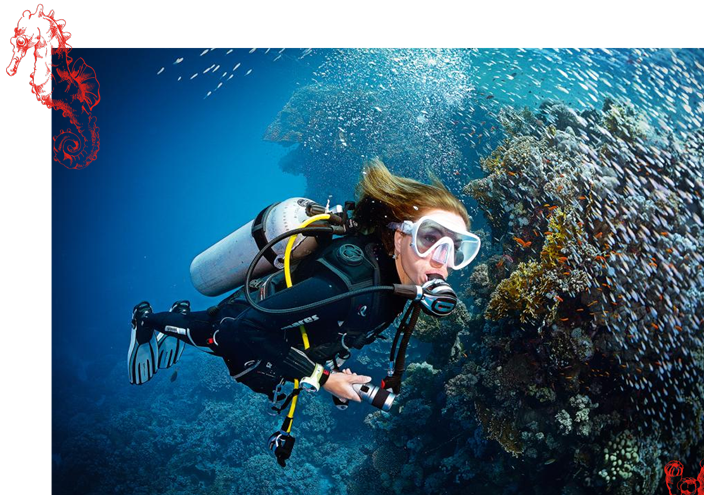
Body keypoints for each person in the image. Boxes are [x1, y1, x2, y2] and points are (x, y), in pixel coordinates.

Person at [127, 159, 481, 409]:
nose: (442, 259)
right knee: (211, 335)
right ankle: (148, 320)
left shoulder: (396, 282)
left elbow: (335, 326)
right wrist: (324, 379)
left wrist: (334, 371)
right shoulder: (351, 284)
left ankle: (179, 315)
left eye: (458, 249)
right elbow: (247, 328)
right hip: (244, 322)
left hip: (280, 330)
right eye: (430, 238)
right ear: (399, 237)